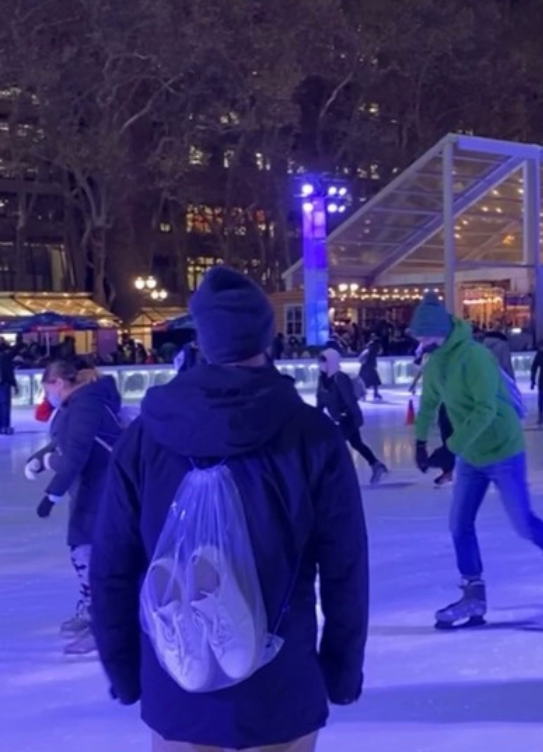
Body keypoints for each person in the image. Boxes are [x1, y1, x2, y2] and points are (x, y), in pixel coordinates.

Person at [90, 267, 369, 752]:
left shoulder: (142, 440)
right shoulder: (312, 437)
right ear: (267, 336)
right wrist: (341, 672)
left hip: (176, 684)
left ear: (205, 339)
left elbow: (111, 565)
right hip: (282, 689)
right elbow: (346, 568)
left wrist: (125, 671)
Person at [408, 292, 543, 628]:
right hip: (471, 455)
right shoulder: (436, 365)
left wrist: (450, 448)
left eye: (424, 336)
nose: (420, 342)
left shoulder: (475, 357)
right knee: (458, 524)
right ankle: (473, 595)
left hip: (503, 449)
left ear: (440, 332)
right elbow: (429, 404)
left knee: (523, 523)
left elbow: (486, 410)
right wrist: (420, 442)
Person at [32, 361, 123, 656]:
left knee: (90, 553)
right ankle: (95, 614)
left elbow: (77, 454)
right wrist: (40, 457)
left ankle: (104, 626)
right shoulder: (80, 402)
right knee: (84, 549)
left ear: (59, 383)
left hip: (103, 489)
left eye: (48, 391)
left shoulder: (86, 405)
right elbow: (65, 443)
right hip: (91, 489)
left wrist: (51, 496)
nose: (48, 398)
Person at [317, 347, 388, 485]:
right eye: (320, 361)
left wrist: (357, 417)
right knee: (356, 443)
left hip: (347, 418)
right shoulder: (322, 379)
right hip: (338, 419)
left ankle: (333, 477)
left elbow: (350, 399)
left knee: (334, 446)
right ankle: (376, 464)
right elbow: (320, 399)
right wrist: (314, 415)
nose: (320, 364)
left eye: (323, 361)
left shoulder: (340, 378)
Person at [410, 343, 454, 486]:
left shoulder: (457, 356)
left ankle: (441, 462)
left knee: (455, 442)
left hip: (459, 407)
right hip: (444, 405)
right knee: (447, 439)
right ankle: (447, 471)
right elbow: (423, 372)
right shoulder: (430, 359)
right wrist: (420, 444)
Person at [0, 339, 17, 434]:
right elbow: (9, 372)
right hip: (4, 384)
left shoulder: (4, 357)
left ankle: (4, 426)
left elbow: (9, 371)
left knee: (4, 406)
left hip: (4, 383)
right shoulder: (5, 357)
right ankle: (4, 426)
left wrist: (14, 383)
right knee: (5, 406)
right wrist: (14, 384)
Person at [358, 336, 383, 401]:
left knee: (366, 382)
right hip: (370, 368)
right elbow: (372, 359)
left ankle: (364, 395)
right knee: (374, 381)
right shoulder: (373, 349)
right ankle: (374, 394)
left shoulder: (369, 348)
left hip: (365, 367)